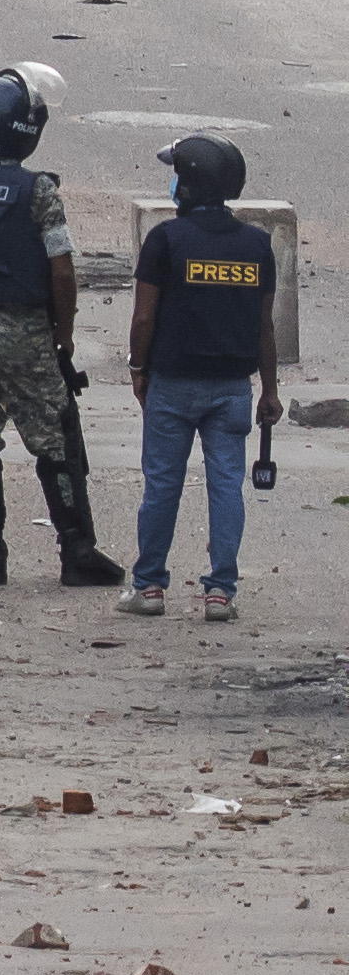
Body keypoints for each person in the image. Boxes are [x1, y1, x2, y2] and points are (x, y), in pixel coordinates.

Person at [0, 73, 119, 592]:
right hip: (25, 332)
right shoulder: (39, 190)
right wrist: (65, 331)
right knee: (56, 435)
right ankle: (76, 549)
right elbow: (61, 268)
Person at [124, 136, 284, 624]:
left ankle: (149, 587)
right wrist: (271, 390)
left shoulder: (166, 240)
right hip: (233, 387)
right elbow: (264, 325)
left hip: (171, 383)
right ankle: (220, 593)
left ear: (188, 183)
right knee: (225, 486)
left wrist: (137, 368)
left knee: (162, 487)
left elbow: (145, 317)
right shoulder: (256, 244)